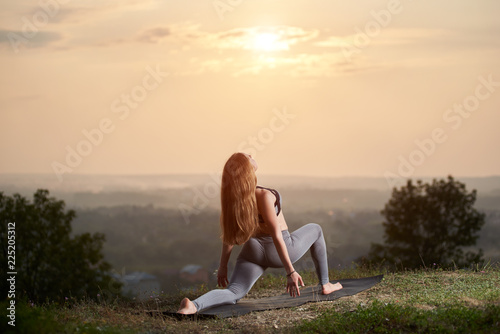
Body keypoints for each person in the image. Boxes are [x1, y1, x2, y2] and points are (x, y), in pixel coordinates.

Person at [177, 152, 342, 314]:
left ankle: (193, 305)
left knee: (234, 292)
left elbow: (229, 237)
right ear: (247, 170)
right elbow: (276, 235)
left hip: (253, 251)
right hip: (281, 250)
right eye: (248, 157)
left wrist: (223, 266)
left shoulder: (233, 200)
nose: (251, 154)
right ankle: (326, 284)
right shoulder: (264, 195)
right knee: (316, 229)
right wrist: (290, 271)